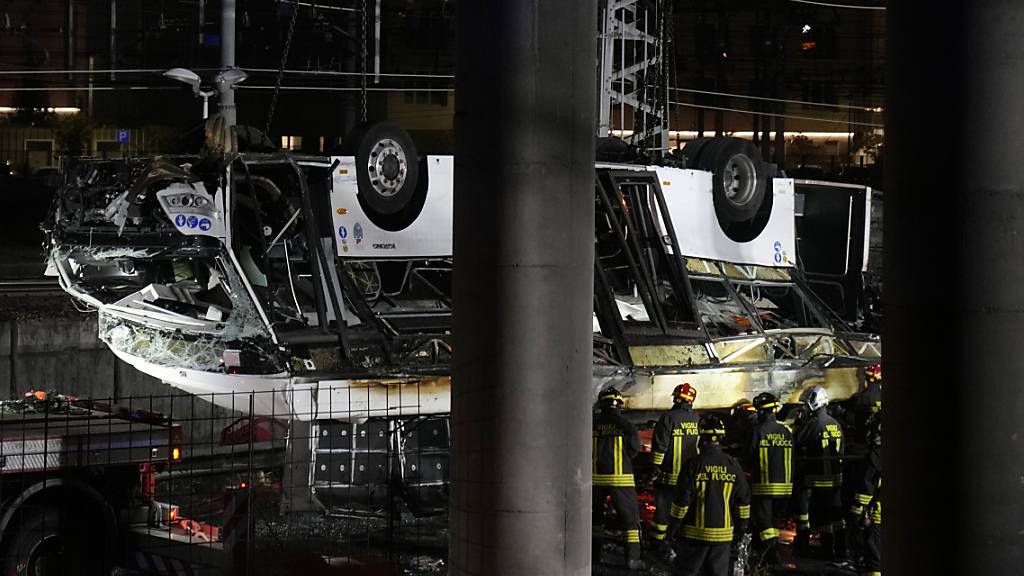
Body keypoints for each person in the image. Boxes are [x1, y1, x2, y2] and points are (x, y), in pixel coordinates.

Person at [666, 414, 751, 576]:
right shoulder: (733, 465)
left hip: (694, 535)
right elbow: (744, 500)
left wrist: (673, 528)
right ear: (720, 438)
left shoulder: (693, 464)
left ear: (701, 437)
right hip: (723, 537)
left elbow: (682, 502)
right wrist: (741, 529)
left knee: (686, 572)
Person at [793, 385, 847, 563]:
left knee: (823, 518)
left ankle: (826, 552)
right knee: (837, 518)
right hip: (836, 479)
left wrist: (799, 422)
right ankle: (840, 552)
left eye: (806, 405)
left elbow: (797, 440)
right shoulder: (835, 424)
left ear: (813, 403)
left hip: (819, 480)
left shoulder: (814, 423)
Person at [593, 387, 645, 570]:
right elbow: (635, 449)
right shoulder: (626, 424)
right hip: (620, 478)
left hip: (595, 478)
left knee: (595, 520)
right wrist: (623, 460)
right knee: (630, 520)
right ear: (619, 403)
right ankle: (632, 559)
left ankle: (594, 557)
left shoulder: (592, 423)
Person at [742, 392, 793, 568]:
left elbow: (747, 457)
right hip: (785, 488)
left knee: (765, 523)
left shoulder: (758, 431)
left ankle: (773, 557)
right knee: (772, 523)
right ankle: (762, 554)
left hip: (764, 487)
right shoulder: (786, 432)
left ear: (761, 412)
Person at [648, 383, 701, 546]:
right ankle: (677, 539)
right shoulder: (697, 419)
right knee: (684, 509)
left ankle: (657, 543)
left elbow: (660, 446)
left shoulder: (668, 418)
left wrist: (654, 468)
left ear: (677, 399)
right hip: (690, 478)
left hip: (668, 477)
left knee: (663, 512)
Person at [850, 411, 882, 576]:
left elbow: (867, 486)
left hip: (878, 514)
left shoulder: (876, 455)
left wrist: (858, 511)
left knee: (875, 559)